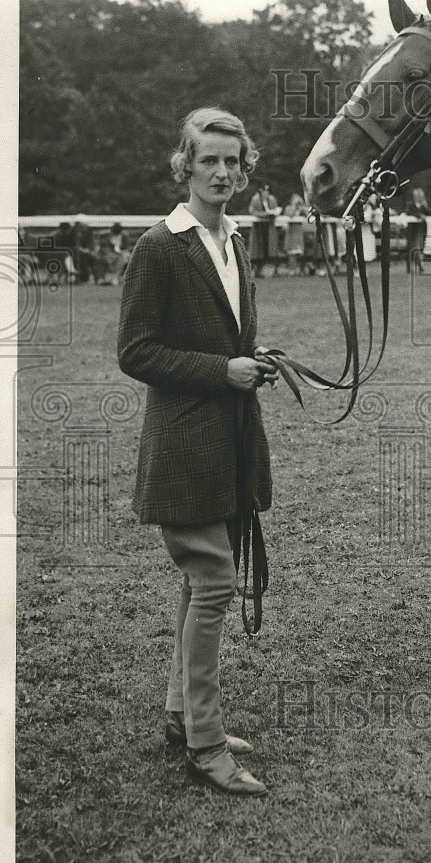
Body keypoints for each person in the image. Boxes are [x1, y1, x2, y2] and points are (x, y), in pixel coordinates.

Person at [118, 107, 278, 797]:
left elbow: (225, 336)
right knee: (214, 584)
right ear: (184, 165)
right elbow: (135, 351)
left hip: (231, 444)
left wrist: (251, 358)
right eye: (207, 159)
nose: (219, 172)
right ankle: (206, 746)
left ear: (244, 170)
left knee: (199, 586)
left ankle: (183, 716)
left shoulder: (234, 241)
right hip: (183, 447)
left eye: (231, 161)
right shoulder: (160, 246)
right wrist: (222, 372)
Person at [248, 182, 279, 277]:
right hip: (258, 228)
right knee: (257, 250)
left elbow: (276, 209)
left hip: (269, 227)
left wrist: (273, 213)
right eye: (265, 191)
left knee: (270, 248)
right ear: (261, 191)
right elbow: (252, 211)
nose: (267, 193)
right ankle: (256, 270)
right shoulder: (255, 199)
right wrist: (265, 214)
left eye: (268, 191)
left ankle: (270, 271)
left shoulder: (272, 199)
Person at [404, 187, 431, 274]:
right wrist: (419, 215)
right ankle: (413, 267)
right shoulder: (410, 204)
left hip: (422, 229)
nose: (418, 197)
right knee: (412, 248)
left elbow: (430, 213)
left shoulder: (423, 205)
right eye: (417, 195)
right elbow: (408, 212)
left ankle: (420, 266)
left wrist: (424, 206)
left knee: (419, 247)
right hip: (412, 229)